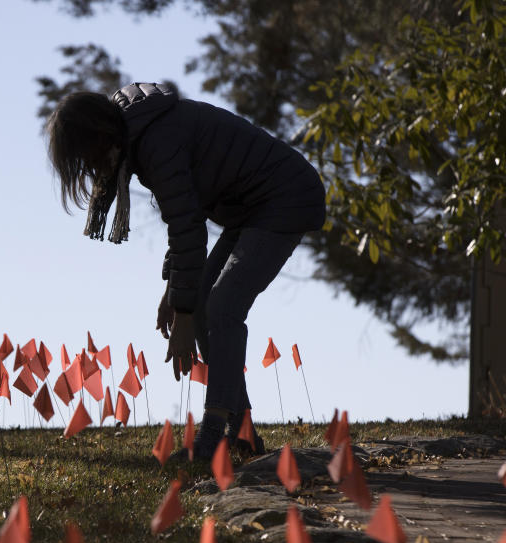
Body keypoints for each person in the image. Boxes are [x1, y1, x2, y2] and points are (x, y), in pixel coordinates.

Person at [46, 82, 325, 460]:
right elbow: (181, 218)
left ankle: (213, 436)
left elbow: (188, 227)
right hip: (249, 208)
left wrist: (184, 316)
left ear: (100, 135)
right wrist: (175, 295)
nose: (92, 169)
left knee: (222, 306)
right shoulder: (141, 132)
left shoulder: (154, 140)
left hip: (284, 197)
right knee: (208, 303)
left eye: (87, 157)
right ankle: (241, 435)